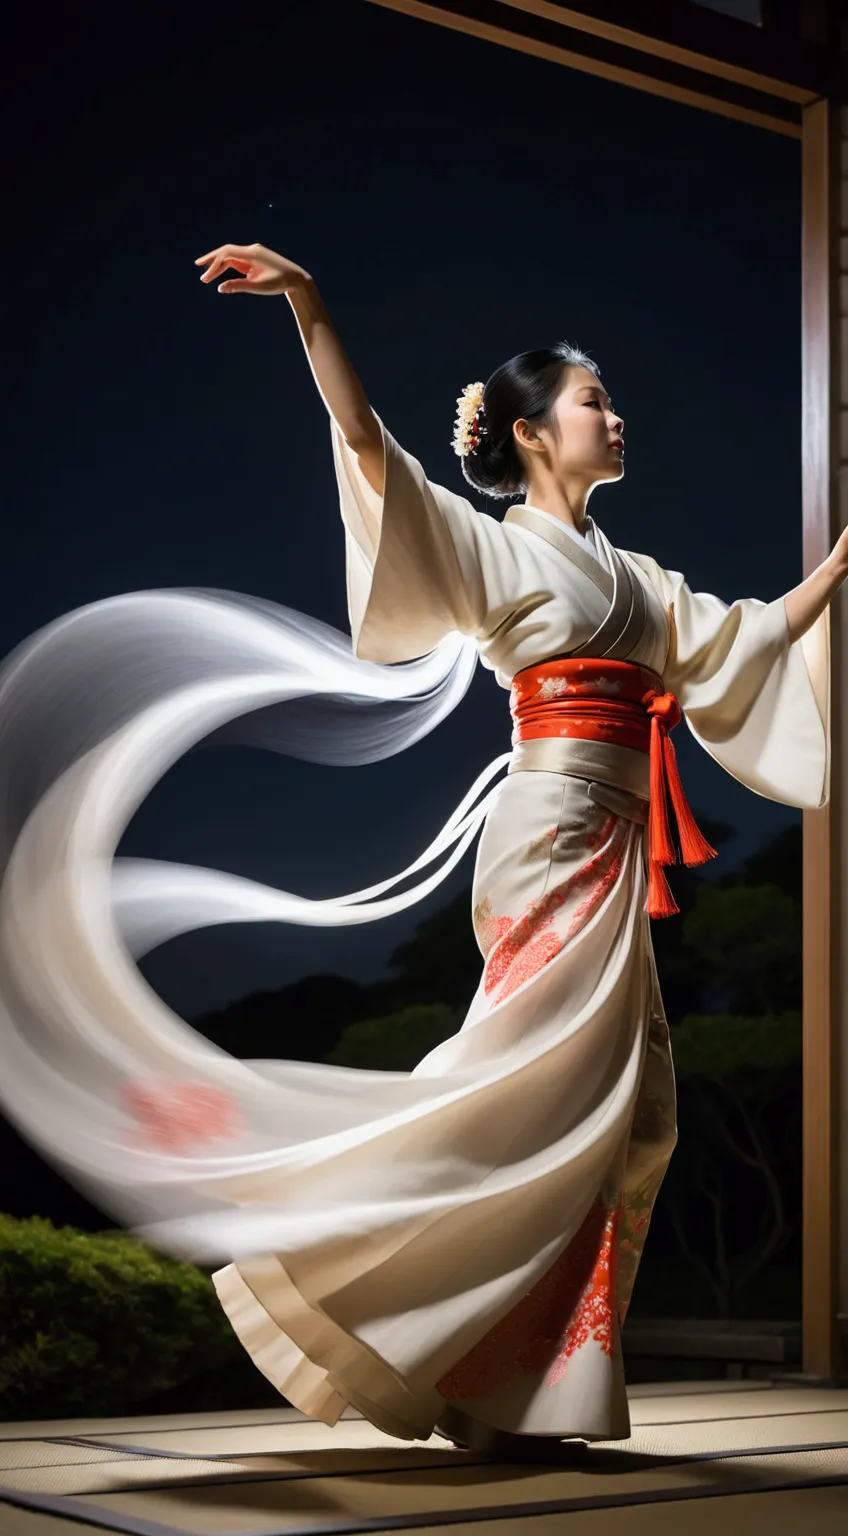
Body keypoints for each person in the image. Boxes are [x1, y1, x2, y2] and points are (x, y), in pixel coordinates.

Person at [0, 241, 839, 1460]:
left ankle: (496, 1378)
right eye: (592, 400)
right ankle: (414, 1326)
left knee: (632, 1112)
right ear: (531, 434)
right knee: (539, 1093)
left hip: (599, 835)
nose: (615, 416)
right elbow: (365, 448)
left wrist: (834, 572)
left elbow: (742, 643)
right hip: (550, 833)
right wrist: (310, 307)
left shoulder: (634, 576)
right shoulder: (494, 546)